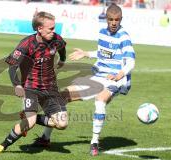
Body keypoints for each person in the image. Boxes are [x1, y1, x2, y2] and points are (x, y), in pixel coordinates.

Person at [33, 3, 135, 156]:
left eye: (117, 20)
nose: (114, 23)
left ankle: (94, 142)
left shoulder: (124, 36)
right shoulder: (102, 32)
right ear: (106, 19)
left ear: (121, 19)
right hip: (99, 76)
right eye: (111, 19)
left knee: (100, 100)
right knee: (62, 96)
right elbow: (103, 53)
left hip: (115, 79)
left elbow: (131, 61)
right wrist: (86, 53)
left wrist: (121, 73)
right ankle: (45, 138)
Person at [0, 11, 68, 155]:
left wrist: (62, 59)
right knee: (29, 124)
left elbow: (62, 48)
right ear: (39, 28)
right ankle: (3, 145)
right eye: (50, 28)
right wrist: (17, 85)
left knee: (62, 124)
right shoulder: (27, 44)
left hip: (51, 88)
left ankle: (31, 116)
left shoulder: (56, 39)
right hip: (31, 87)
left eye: (54, 28)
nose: (54, 31)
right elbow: (12, 66)